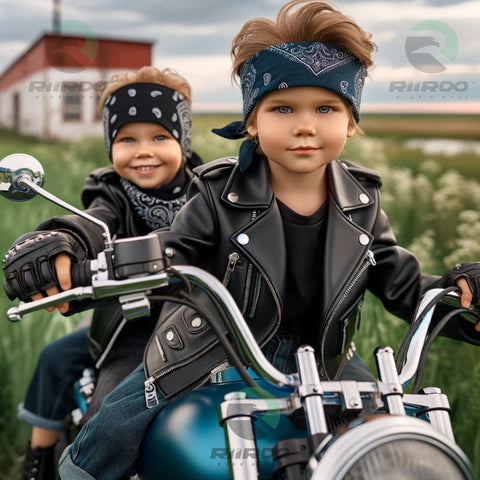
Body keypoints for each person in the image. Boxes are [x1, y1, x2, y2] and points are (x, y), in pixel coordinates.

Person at [3, 1, 480, 478]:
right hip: (214, 350)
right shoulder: (217, 193)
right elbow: (171, 248)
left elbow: (404, 284)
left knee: (398, 436)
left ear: (351, 121)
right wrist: (67, 250)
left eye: (326, 107)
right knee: (110, 430)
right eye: (283, 107)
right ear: (252, 121)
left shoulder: (363, 202)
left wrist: (458, 297)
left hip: (329, 362)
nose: (305, 124)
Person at [4, 65, 202, 480]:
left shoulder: (210, 190)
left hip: (205, 319)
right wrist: (64, 242)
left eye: (159, 137)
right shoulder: (109, 191)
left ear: (183, 140)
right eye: (127, 139)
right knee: (101, 405)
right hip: (129, 328)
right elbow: (94, 223)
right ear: (110, 144)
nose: (143, 150)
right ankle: (40, 461)